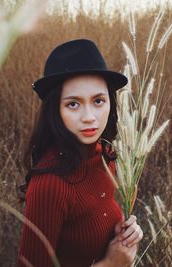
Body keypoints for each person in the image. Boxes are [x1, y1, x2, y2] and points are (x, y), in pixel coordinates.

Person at [18, 39, 143, 267]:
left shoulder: (105, 156)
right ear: (55, 110)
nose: (89, 116)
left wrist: (125, 234)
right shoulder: (50, 184)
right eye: (73, 104)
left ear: (110, 104)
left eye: (98, 100)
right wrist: (110, 264)